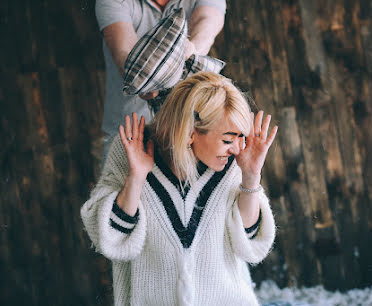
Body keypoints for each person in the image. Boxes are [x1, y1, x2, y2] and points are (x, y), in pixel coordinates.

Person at [81, 71, 278, 305]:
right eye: (227, 140)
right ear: (190, 132)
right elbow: (110, 239)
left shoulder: (232, 163)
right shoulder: (132, 150)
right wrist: (136, 177)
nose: (237, 148)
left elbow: (250, 243)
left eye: (240, 138)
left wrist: (251, 176)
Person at [95, 0, 227, 161]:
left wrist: (191, 51)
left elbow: (207, 22)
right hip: (130, 133)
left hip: (192, 131)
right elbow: (124, 55)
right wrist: (142, 82)